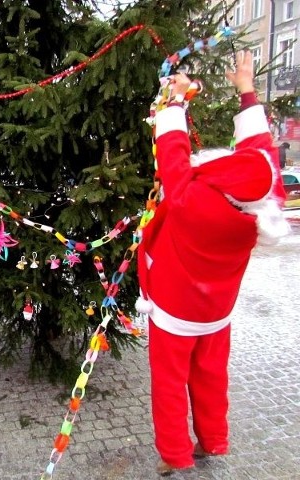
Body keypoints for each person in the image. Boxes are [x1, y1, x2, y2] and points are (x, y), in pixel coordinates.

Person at [135, 50, 289, 476]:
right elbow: (260, 152)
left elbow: (172, 154)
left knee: (169, 384)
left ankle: (176, 454)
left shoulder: (194, 202)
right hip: (216, 312)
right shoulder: (263, 206)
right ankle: (215, 440)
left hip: (173, 310)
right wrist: (246, 88)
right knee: (210, 376)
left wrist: (176, 101)